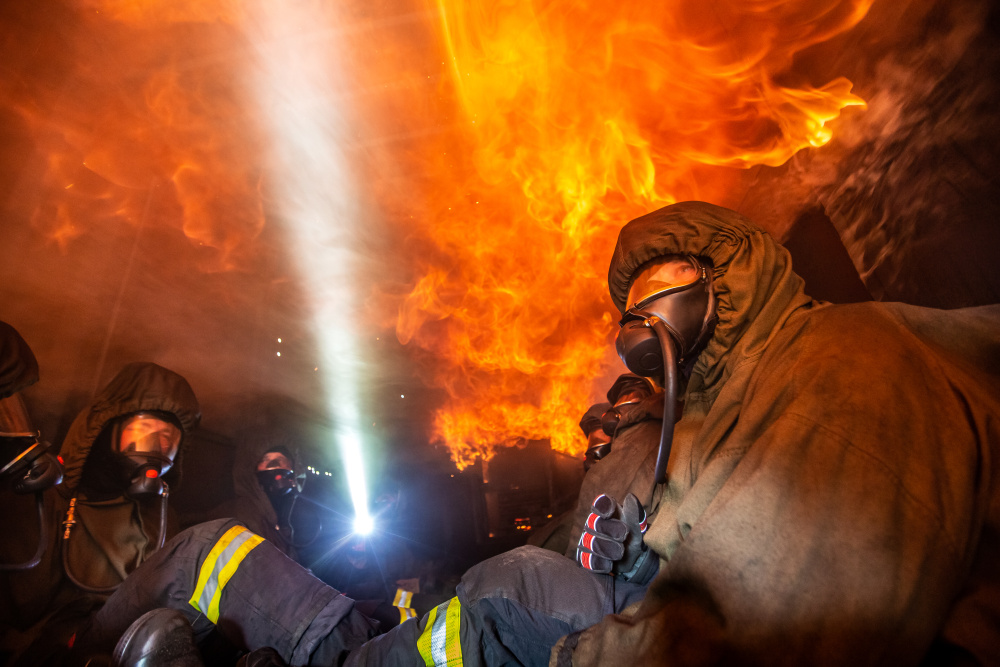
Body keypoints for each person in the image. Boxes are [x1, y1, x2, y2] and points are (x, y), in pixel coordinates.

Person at [76, 201, 1000, 666]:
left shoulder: (846, 359)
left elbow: (763, 631)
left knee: (501, 595)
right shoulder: (719, 411)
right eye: (626, 308)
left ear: (729, 279)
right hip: (599, 617)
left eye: (660, 287)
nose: (636, 321)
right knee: (490, 581)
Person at [0, 361, 200, 666]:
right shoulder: (43, 498)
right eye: (144, 430)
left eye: (167, 439)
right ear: (109, 429)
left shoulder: (161, 518)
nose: (156, 447)